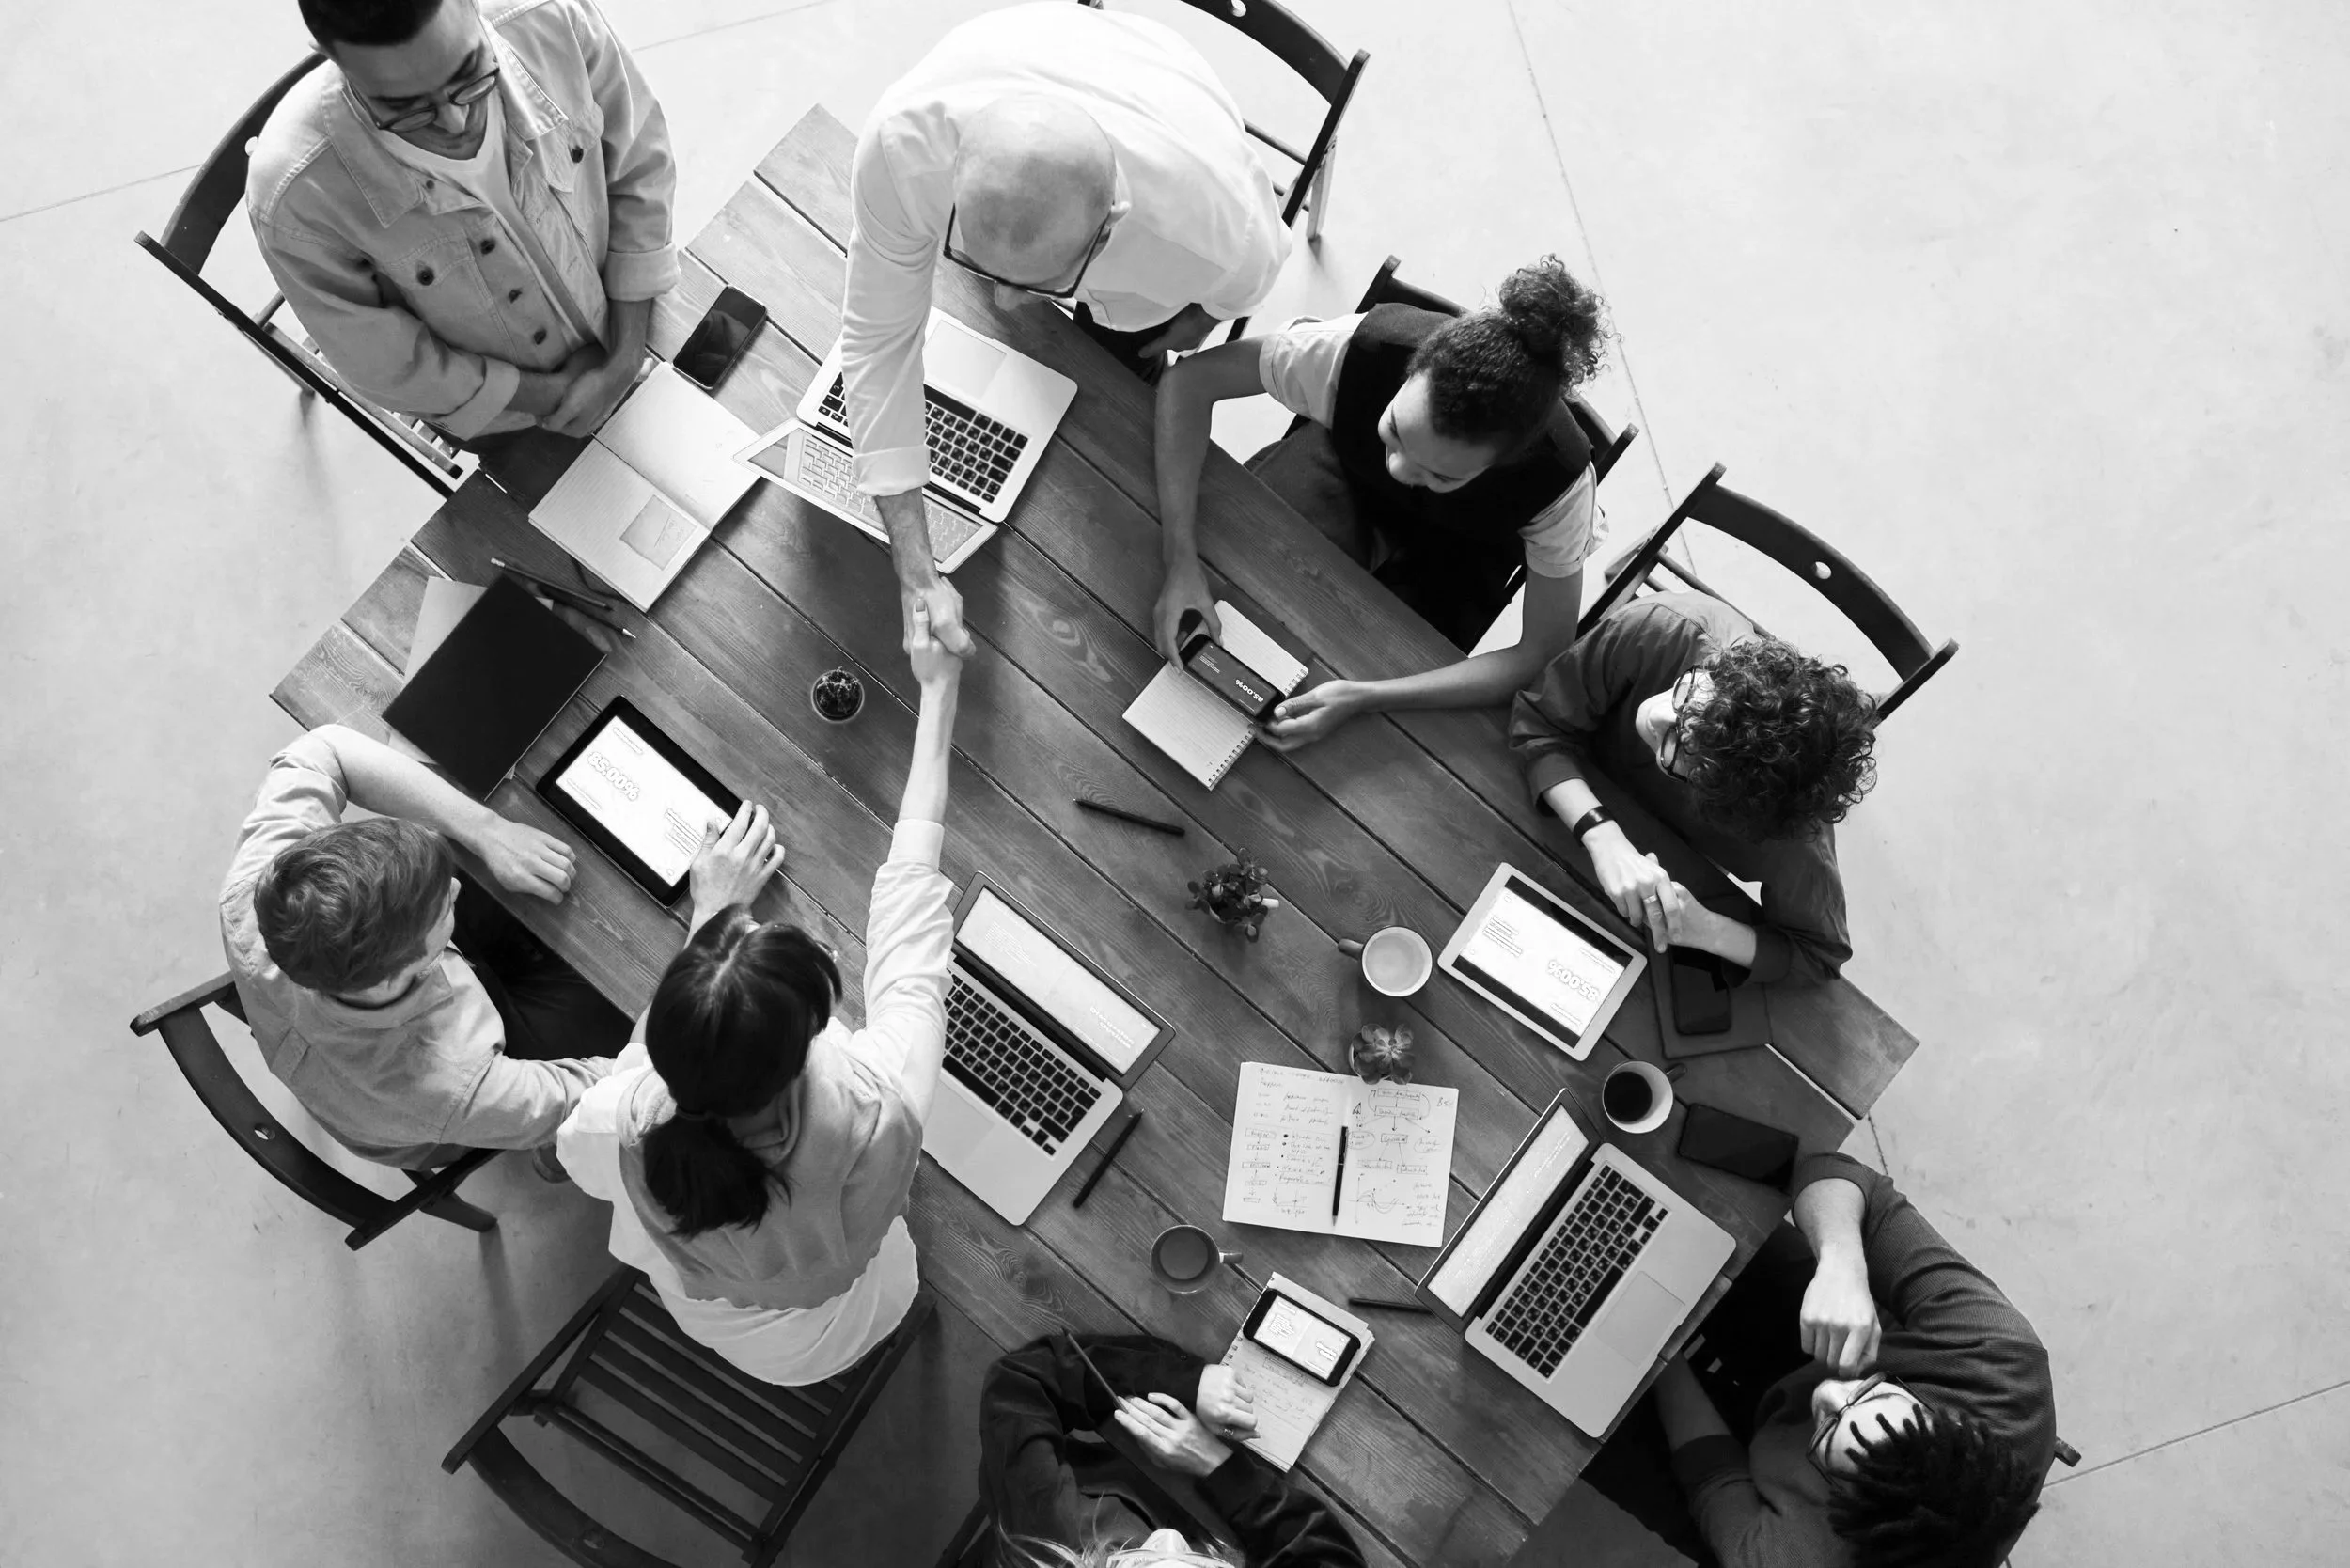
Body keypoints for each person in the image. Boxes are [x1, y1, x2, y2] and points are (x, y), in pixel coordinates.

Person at [557, 611, 965, 1385]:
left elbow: (581, 1159)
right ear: (809, 1041)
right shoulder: (880, 1105)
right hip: (856, 1312)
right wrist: (940, 693)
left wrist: (708, 919)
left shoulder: (620, 1118)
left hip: (732, 1330)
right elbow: (913, 923)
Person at [843, 2, 1291, 656]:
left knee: (1122, 391)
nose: (1003, 304)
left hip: (1167, 102)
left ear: (1108, 230)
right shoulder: (899, 149)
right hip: (1038, 52)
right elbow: (878, 343)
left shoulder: (1221, 237)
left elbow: (1248, 283)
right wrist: (915, 567)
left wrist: (1195, 323)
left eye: (1035, 285)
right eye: (977, 263)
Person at [1155, 257, 1615, 738]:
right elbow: (1190, 382)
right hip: (1344, 470)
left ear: (1505, 463)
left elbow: (1541, 653)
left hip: (1465, 550)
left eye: (1440, 474)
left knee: (1382, 675)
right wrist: (1179, 560)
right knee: (1239, 579)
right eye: (1395, 431)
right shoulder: (1357, 351)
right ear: (1413, 369)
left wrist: (1367, 697)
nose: (1398, 469)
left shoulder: (1559, 488)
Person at [1584, 1154, 2055, 1567]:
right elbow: (1835, 1173)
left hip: (1760, 1491)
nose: (1829, 1390)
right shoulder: (1997, 1357)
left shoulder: (1793, 1558)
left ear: (1837, 1505)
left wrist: (1655, 1345)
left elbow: (1712, 1472)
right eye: (1872, 1392)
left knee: (1595, 1420)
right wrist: (1841, 1264)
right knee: (1709, 1217)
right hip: (1851, 1343)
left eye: (1829, 1430)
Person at [248, 0, 677, 446]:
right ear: (329, 55)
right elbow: (386, 366)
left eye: (469, 72)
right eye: (405, 108)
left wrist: (625, 356)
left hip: (640, 314)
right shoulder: (294, 197)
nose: (456, 122)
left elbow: (641, 164)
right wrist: (556, 396)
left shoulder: (549, 16)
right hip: (515, 420)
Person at [220, 725, 629, 1168]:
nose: (455, 888)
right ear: (400, 973)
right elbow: (614, 1098)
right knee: (622, 1017)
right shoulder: (452, 1085)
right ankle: (554, 1155)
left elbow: (325, 747)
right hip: (434, 1120)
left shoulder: (265, 885)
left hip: (353, 1054)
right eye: (442, 908)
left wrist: (488, 831)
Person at [1508, 590, 1879, 984]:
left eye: (1678, 748)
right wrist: (1603, 838)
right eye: (1688, 694)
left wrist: (1705, 929)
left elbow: (1818, 956)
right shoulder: (1662, 628)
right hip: (1544, 807)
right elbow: (1538, 722)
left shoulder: (1791, 833)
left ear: (1721, 799)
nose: (1656, 715)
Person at [981, 1331, 1366, 1568]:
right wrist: (1217, 1464)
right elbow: (1327, 1556)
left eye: (1135, 1563)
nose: (1169, 1539)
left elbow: (1021, 1383)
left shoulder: (1048, 1535)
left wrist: (1185, 1383)